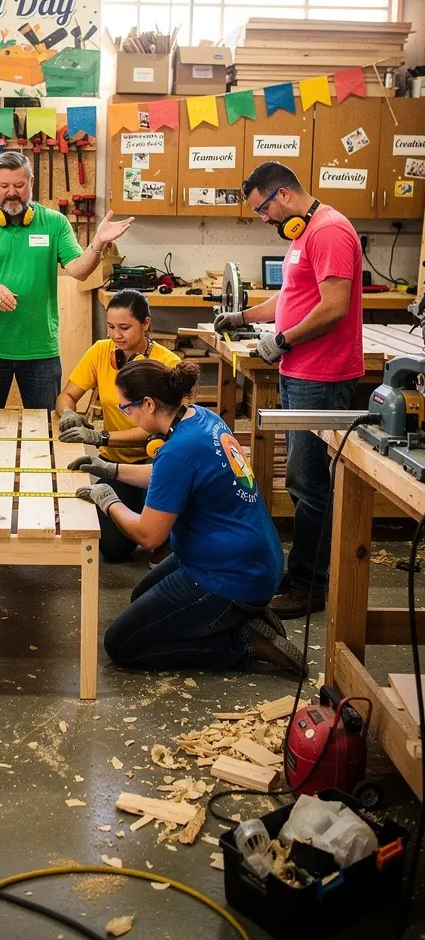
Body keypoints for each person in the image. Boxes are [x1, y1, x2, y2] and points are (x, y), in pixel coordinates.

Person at [74, 359, 303, 677]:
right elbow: (171, 475)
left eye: (128, 409)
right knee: (142, 597)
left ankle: (244, 643)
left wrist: (108, 501)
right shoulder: (200, 419)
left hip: (229, 574)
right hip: (249, 557)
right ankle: (240, 614)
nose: (128, 416)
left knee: (123, 645)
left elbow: (149, 535)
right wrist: (111, 470)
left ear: (149, 404)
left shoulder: (177, 450)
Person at [217, 162, 363, 618]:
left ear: (282, 195)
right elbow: (291, 299)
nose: (263, 218)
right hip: (300, 371)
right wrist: (244, 318)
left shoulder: (330, 232)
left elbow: (335, 307)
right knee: (302, 482)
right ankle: (303, 572)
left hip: (322, 375)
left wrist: (281, 341)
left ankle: (310, 586)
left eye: (263, 208)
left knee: (309, 483)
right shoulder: (304, 236)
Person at [0, 149, 134, 409]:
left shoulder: (55, 223)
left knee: (45, 427)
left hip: (40, 351)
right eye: (3, 186)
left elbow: (79, 270)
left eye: (19, 185)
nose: (11, 192)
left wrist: (98, 243)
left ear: (32, 183)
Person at [57, 288, 179, 562]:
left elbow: (153, 428)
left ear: (146, 324)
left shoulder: (167, 364)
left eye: (125, 327)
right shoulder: (102, 352)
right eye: (111, 327)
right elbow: (67, 395)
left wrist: (100, 437)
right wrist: (67, 413)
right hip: (113, 464)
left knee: (159, 546)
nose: (116, 335)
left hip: (155, 465)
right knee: (112, 550)